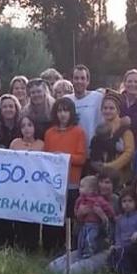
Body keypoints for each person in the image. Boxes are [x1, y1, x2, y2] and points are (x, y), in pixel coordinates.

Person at [42, 97, 87, 252]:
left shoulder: (78, 132)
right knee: (53, 217)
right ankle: (51, 248)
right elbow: (45, 157)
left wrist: (63, 156)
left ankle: (69, 248)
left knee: (69, 217)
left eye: (66, 110)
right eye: (60, 110)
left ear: (71, 113)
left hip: (71, 182)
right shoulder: (49, 133)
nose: (63, 114)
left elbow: (81, 158)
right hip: (53, 184)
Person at [9, 115, 45, 252]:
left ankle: (33, 246)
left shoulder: (42, 144)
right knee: (18, 215)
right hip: (18, 187)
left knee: (33, 216)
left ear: (35, 127)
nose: (27, 129)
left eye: (29, 125)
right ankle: (19, 244)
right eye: (23, 126)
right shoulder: (14, 143)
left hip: (35, 188)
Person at [88, 90, 134, 182]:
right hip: (101, 175)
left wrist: (110, 166)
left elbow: (128, 153)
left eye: (111, 108)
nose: (108, 111)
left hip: (120, 175)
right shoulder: (100, 128)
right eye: (105, 108)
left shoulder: (125, 129)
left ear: (118, 110)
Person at [109, 189, 137, 274]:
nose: (127, 204)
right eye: (124, 201)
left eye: (130, 201)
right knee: (112, 255)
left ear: (135, 202)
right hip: (121, 246)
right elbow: (117, 234)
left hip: (134, 246)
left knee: (125, 257)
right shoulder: (120, 219)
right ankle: (113, 273)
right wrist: (117, 245)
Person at [74, 175, 115, 258]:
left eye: (82, 187)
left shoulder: (98, 200)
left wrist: (106, 215)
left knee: (91, 238)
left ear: (91, 189)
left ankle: (89, 252)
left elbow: (108, 209)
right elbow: (76, 210)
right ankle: (80, 251)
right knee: (81, 238)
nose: (79, 189)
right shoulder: (80, 199)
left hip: (95, 225)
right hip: (84, 224)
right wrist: (79, 213)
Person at [70, 64, 105, 148]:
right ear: (71, 80)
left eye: (82, 78)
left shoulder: (98, 97)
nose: (79, 81)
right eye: (76, 78)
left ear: (88, 81)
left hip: (93, 148)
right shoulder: (67, 100)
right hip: (74, 149)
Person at [118, 69, 137, 146]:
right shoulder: (117, 101)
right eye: (129, 81)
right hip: (116, 145)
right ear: (124, 84)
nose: (132, 84)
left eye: (136, 82)